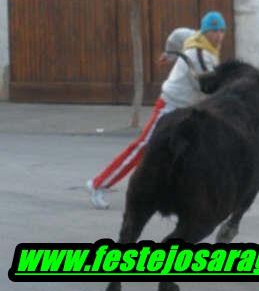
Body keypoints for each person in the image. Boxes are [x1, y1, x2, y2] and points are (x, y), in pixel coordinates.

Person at [86, 11, 227, 209]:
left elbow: (176, 35)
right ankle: (98, 184)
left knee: (191, 151)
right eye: (214, 31)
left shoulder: (193, 36)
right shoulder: (199, 54)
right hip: (171, 106)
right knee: (142, 146)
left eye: (221, 31)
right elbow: (204, 87)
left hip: (188, 109)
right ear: (205, 32)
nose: (218, 36)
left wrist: (169, 54)